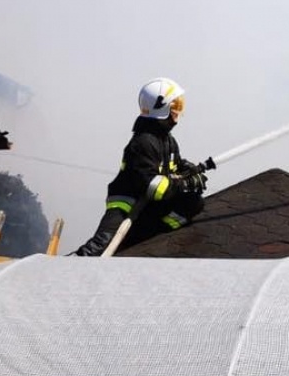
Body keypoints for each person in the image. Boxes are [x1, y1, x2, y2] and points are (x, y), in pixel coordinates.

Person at [74, 77, 210, 256]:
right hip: (127, 205)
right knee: (100, 247)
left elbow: (174, 165)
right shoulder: (143, 142)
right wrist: (185, 184)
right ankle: (66, 268)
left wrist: (191, 170)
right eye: (175, 106)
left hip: (151, 205)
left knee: (194, 203)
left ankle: (148, 234)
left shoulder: (167, 140)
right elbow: (154, 187)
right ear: (161, 108)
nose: (178, 111)